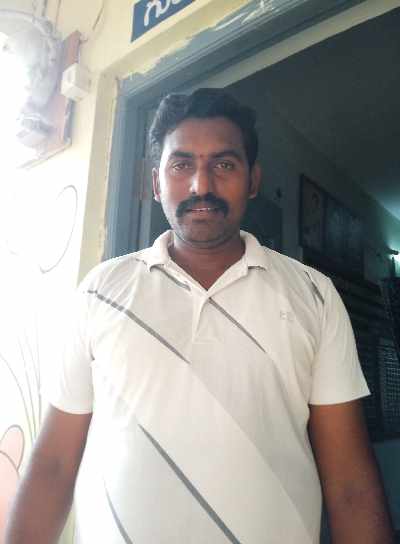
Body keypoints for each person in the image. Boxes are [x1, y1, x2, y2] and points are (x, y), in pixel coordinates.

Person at [5, 88, 394, 544]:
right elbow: (53, 465)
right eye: (181, 165)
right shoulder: (99, 291)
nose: (201, 186)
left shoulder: (315, 295)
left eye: (224, 165)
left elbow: (350, 485)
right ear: (156, 183)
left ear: (253, 180)